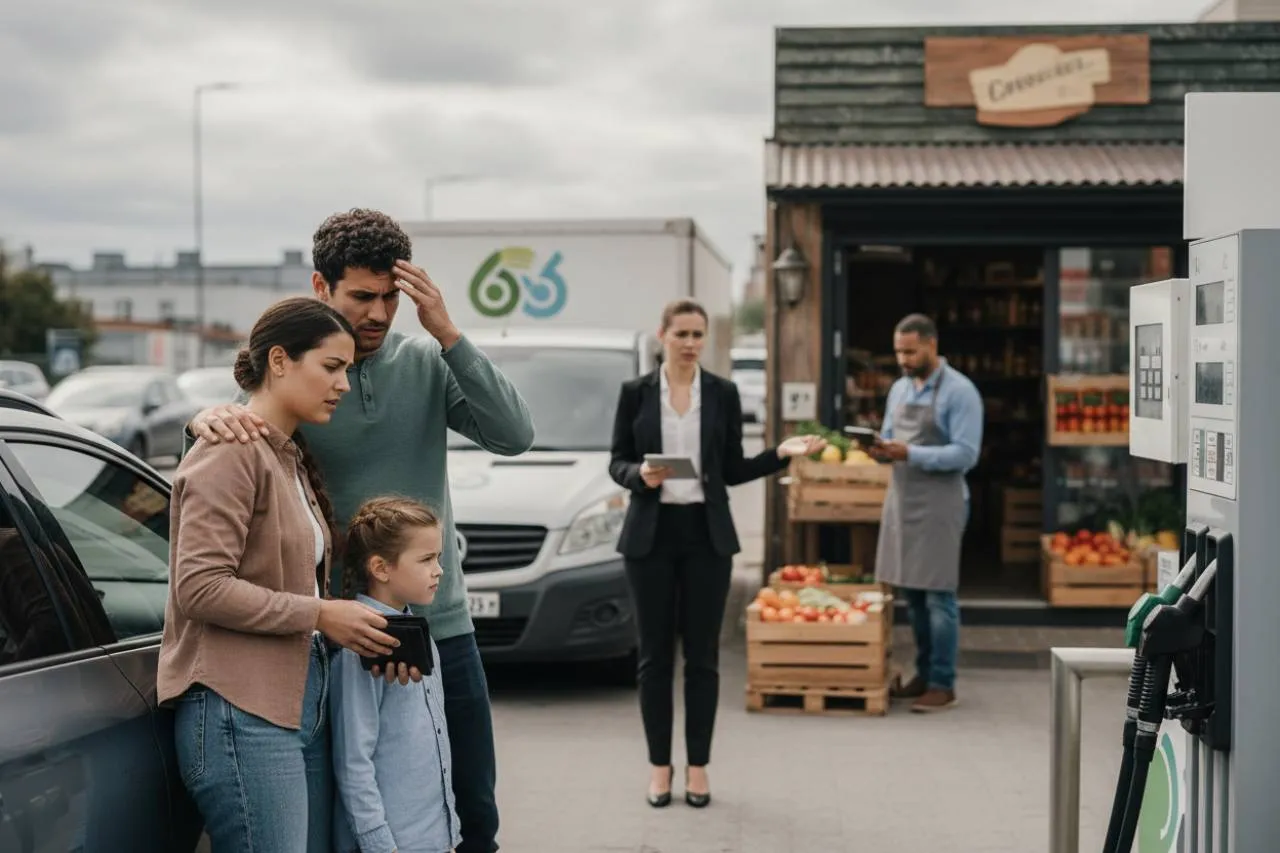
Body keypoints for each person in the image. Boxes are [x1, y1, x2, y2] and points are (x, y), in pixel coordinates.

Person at [187, 209, 534, 853]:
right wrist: (205, 418)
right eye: (362, 296)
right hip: (339, 632)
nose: (378, 313)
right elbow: (244, 431)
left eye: (391, 297)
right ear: (321, 288)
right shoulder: (305, 374)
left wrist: (449, 334)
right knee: (361, 817)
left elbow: (515, 435)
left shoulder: (427, 361)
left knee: (471, 810)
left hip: (441, 624)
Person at [158, 297, 405, 853]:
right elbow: (199, 587)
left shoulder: (282, 454)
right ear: (279, 361)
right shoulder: (229, 453)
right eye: (331, 367)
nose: (343, 384)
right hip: (236, 709)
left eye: (347, 369)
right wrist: (319, 614)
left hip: (296, 703)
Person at [608, 298, 825, 808]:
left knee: (703, 660)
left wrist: (779, 455)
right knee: (655, 660)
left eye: (698, 335)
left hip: (707, 539)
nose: (690, 343)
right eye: (681, 333)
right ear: (662, 335)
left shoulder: (722, 394)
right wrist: (637, 475)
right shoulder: (635, 393)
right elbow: (616, 460)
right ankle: (660, 769)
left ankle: (699, 768)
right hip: (651, 538)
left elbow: (730, 469)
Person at [331, 496, 461, 853]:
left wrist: (449, 832)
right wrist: (380, 845)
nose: (439, 570)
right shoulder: (360, 644)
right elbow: (353, 759)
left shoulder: (418, 634)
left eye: (438, 557)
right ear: (381, 568)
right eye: (425, 559)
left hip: (431, 838)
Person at [869, 313, 983, 713]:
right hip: (903, 500)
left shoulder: (960, 392)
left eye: (910, 351)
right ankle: (922, 675)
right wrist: (882, 449)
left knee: (939, 597)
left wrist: (910, 453)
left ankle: (942, 683)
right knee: (912, 597)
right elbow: (890, 434)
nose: (903, 358)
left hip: (941, 504)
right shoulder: (899, 389)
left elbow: (966, 454)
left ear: (932, 345)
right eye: (898, 351)